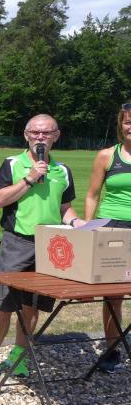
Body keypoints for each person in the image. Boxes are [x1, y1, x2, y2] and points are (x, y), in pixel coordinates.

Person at [0, 114, 85, 383]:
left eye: (46, 133)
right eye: (35, 132)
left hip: (51, 246)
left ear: (56, 136)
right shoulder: (12, 164)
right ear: (26, 135)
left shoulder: (63, 170)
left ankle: (19, 356)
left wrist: (76, 222)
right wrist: (30, 178)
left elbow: (64, 207)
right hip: (18, 242)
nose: (40, 137)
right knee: (4, 304)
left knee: (32, 306)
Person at [83, 101, 131, 373]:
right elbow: (92, 195)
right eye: (128, 122)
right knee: (114, 295)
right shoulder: (106, 156)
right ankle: (112, 350)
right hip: (111, 228)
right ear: (121, 125)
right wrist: (88, 229)